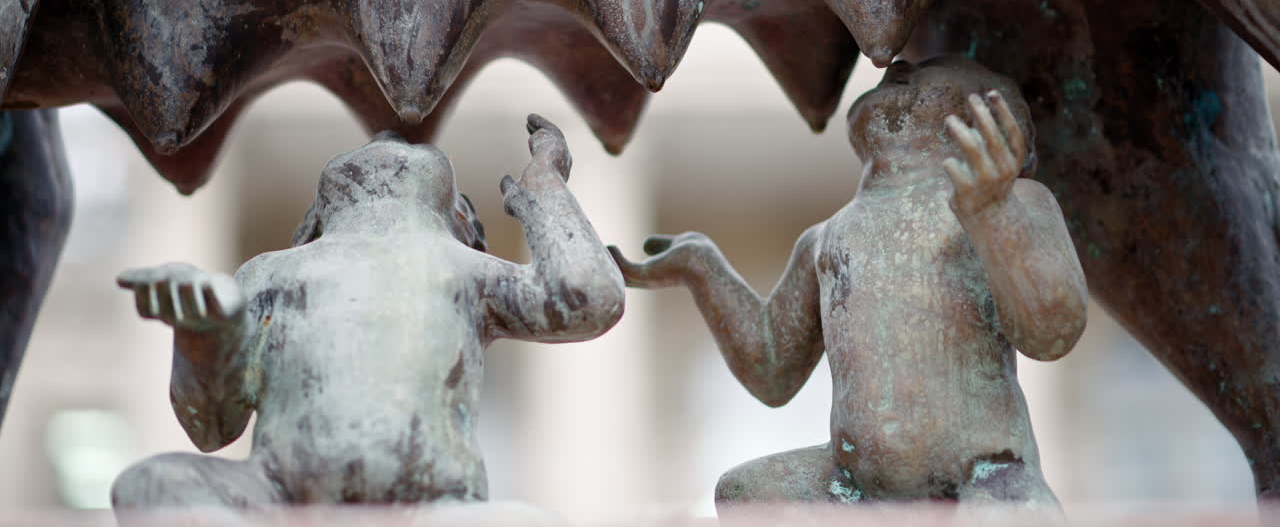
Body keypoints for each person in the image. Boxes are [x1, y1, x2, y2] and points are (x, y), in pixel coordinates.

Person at [611, 56, 1086, 510]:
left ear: (989, 121)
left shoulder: (1017, 202)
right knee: (745, 492)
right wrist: (701, 267)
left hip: (986, 474)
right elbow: (772, 371)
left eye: (931, 69)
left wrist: (993, 215)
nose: (898, 67)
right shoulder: (825, 237)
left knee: (1009, 515)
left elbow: (1052, 332)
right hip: (855, 485)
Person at [112, 115, 622, 525]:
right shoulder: (268, 272)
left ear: (461, 222)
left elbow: (589, 298)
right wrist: (203, 340)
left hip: (432, 507)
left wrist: (544, 190)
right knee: (150, 485)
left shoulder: (462, 265)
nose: (385, 136)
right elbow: (212, 427)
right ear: (312, 222)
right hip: (278, 498)